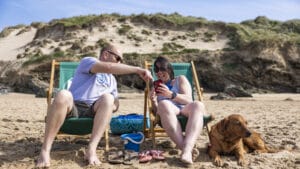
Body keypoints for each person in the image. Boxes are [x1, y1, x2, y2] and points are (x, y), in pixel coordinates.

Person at [36, 44, 153, 167]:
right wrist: (138, 70)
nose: (119, 63)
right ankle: (45, 150)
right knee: (63, 94)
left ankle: (91, 149)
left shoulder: (112, 80)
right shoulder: (88, 61)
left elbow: (116, 103)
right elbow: (108, 67)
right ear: (105, 54)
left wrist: (108, 108)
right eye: (118, 59)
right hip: (72, 107)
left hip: (93, 111)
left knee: (108, 98)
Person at [150, 56, 209, 165]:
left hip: (185, 109)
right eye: (156, 70)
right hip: (168, 111)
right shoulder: (156, 87)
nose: (159, 72)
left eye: (162, 69)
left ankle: (185, 150)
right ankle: (187, 151)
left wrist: (171, 94)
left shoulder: (180, 79)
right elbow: (157, 112)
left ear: (169, 69)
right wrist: (153, 101)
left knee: (198, 105)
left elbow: (188, 99)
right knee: (163, 104)